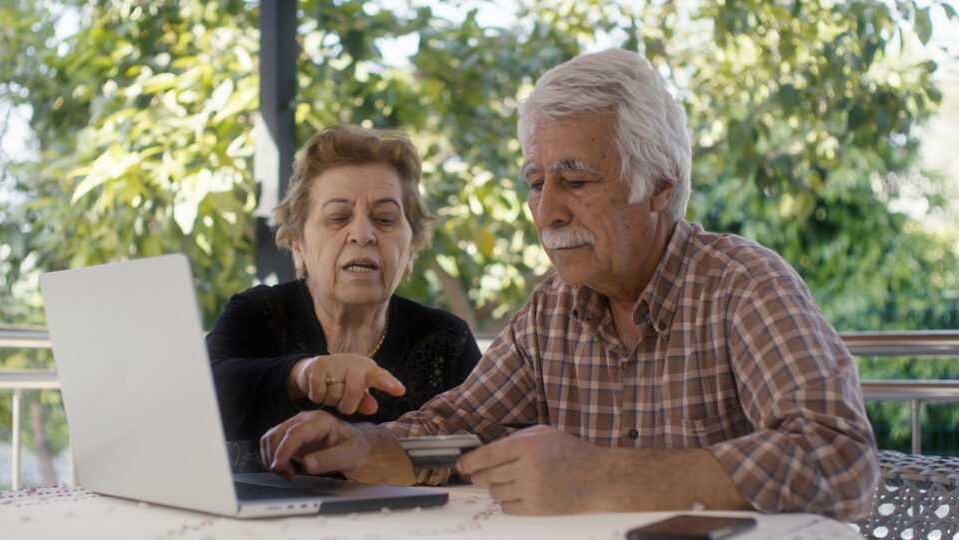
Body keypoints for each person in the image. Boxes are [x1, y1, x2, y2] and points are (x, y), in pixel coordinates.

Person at [258, 50, 878, 520]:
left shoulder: (744, 285)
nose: (546, 210)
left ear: (660, 185)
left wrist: (606, 478)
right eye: (535, 181)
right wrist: (360, 446)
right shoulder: (551, 311)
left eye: (575, 180)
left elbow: (841, 462)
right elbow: (457, 437)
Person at [207, 124, 482, 448]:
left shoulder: (447, 342)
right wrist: (300, 375)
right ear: (298, 245)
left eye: (384, 219)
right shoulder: (257, 314)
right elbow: (199, 397)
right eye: (338, 217)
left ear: (411, 250)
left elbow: (488, 444)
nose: (362, 234)